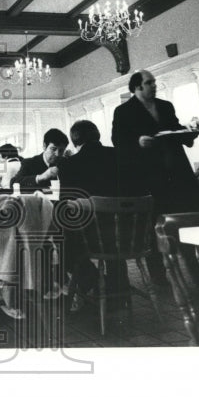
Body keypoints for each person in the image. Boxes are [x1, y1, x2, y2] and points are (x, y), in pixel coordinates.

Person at [111, 70, 199, 283]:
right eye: (149, 82)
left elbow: (174, 130)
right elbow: (118, 141)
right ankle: (159, 276)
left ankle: (196, 271)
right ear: (137, 87)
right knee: (152, 225)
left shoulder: (165, 106)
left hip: (176, 172)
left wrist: (189, 132)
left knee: (184, 220)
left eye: (154, 82)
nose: (154, 85)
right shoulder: (123, 111)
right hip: (148, 175)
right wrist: (137, 142)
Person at [50, 120, 118, 308]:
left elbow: (66, 205)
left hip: (93, 237)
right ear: (98, 135)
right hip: (129, 233)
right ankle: (116, 286)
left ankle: (94, 281)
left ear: (74, 141)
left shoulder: (69, 164)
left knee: (59, 235)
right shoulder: (121, 155)